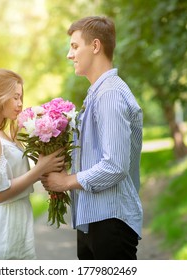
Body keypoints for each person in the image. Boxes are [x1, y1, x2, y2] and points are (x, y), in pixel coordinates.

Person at [42, 16, 143, 260]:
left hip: (110, 222)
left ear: (95, 46)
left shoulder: (109, 94)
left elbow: (115, 165)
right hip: (94, 220)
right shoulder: (96, 94)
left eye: (75, 46)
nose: (69, 54)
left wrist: (65, 182)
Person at [0, 69, 64, 260]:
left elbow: (18, 175)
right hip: (2, 234)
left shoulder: (4, 136)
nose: (20, 103)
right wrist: (40, 168)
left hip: (17, 230)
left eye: (21, 97)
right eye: (15, 97)